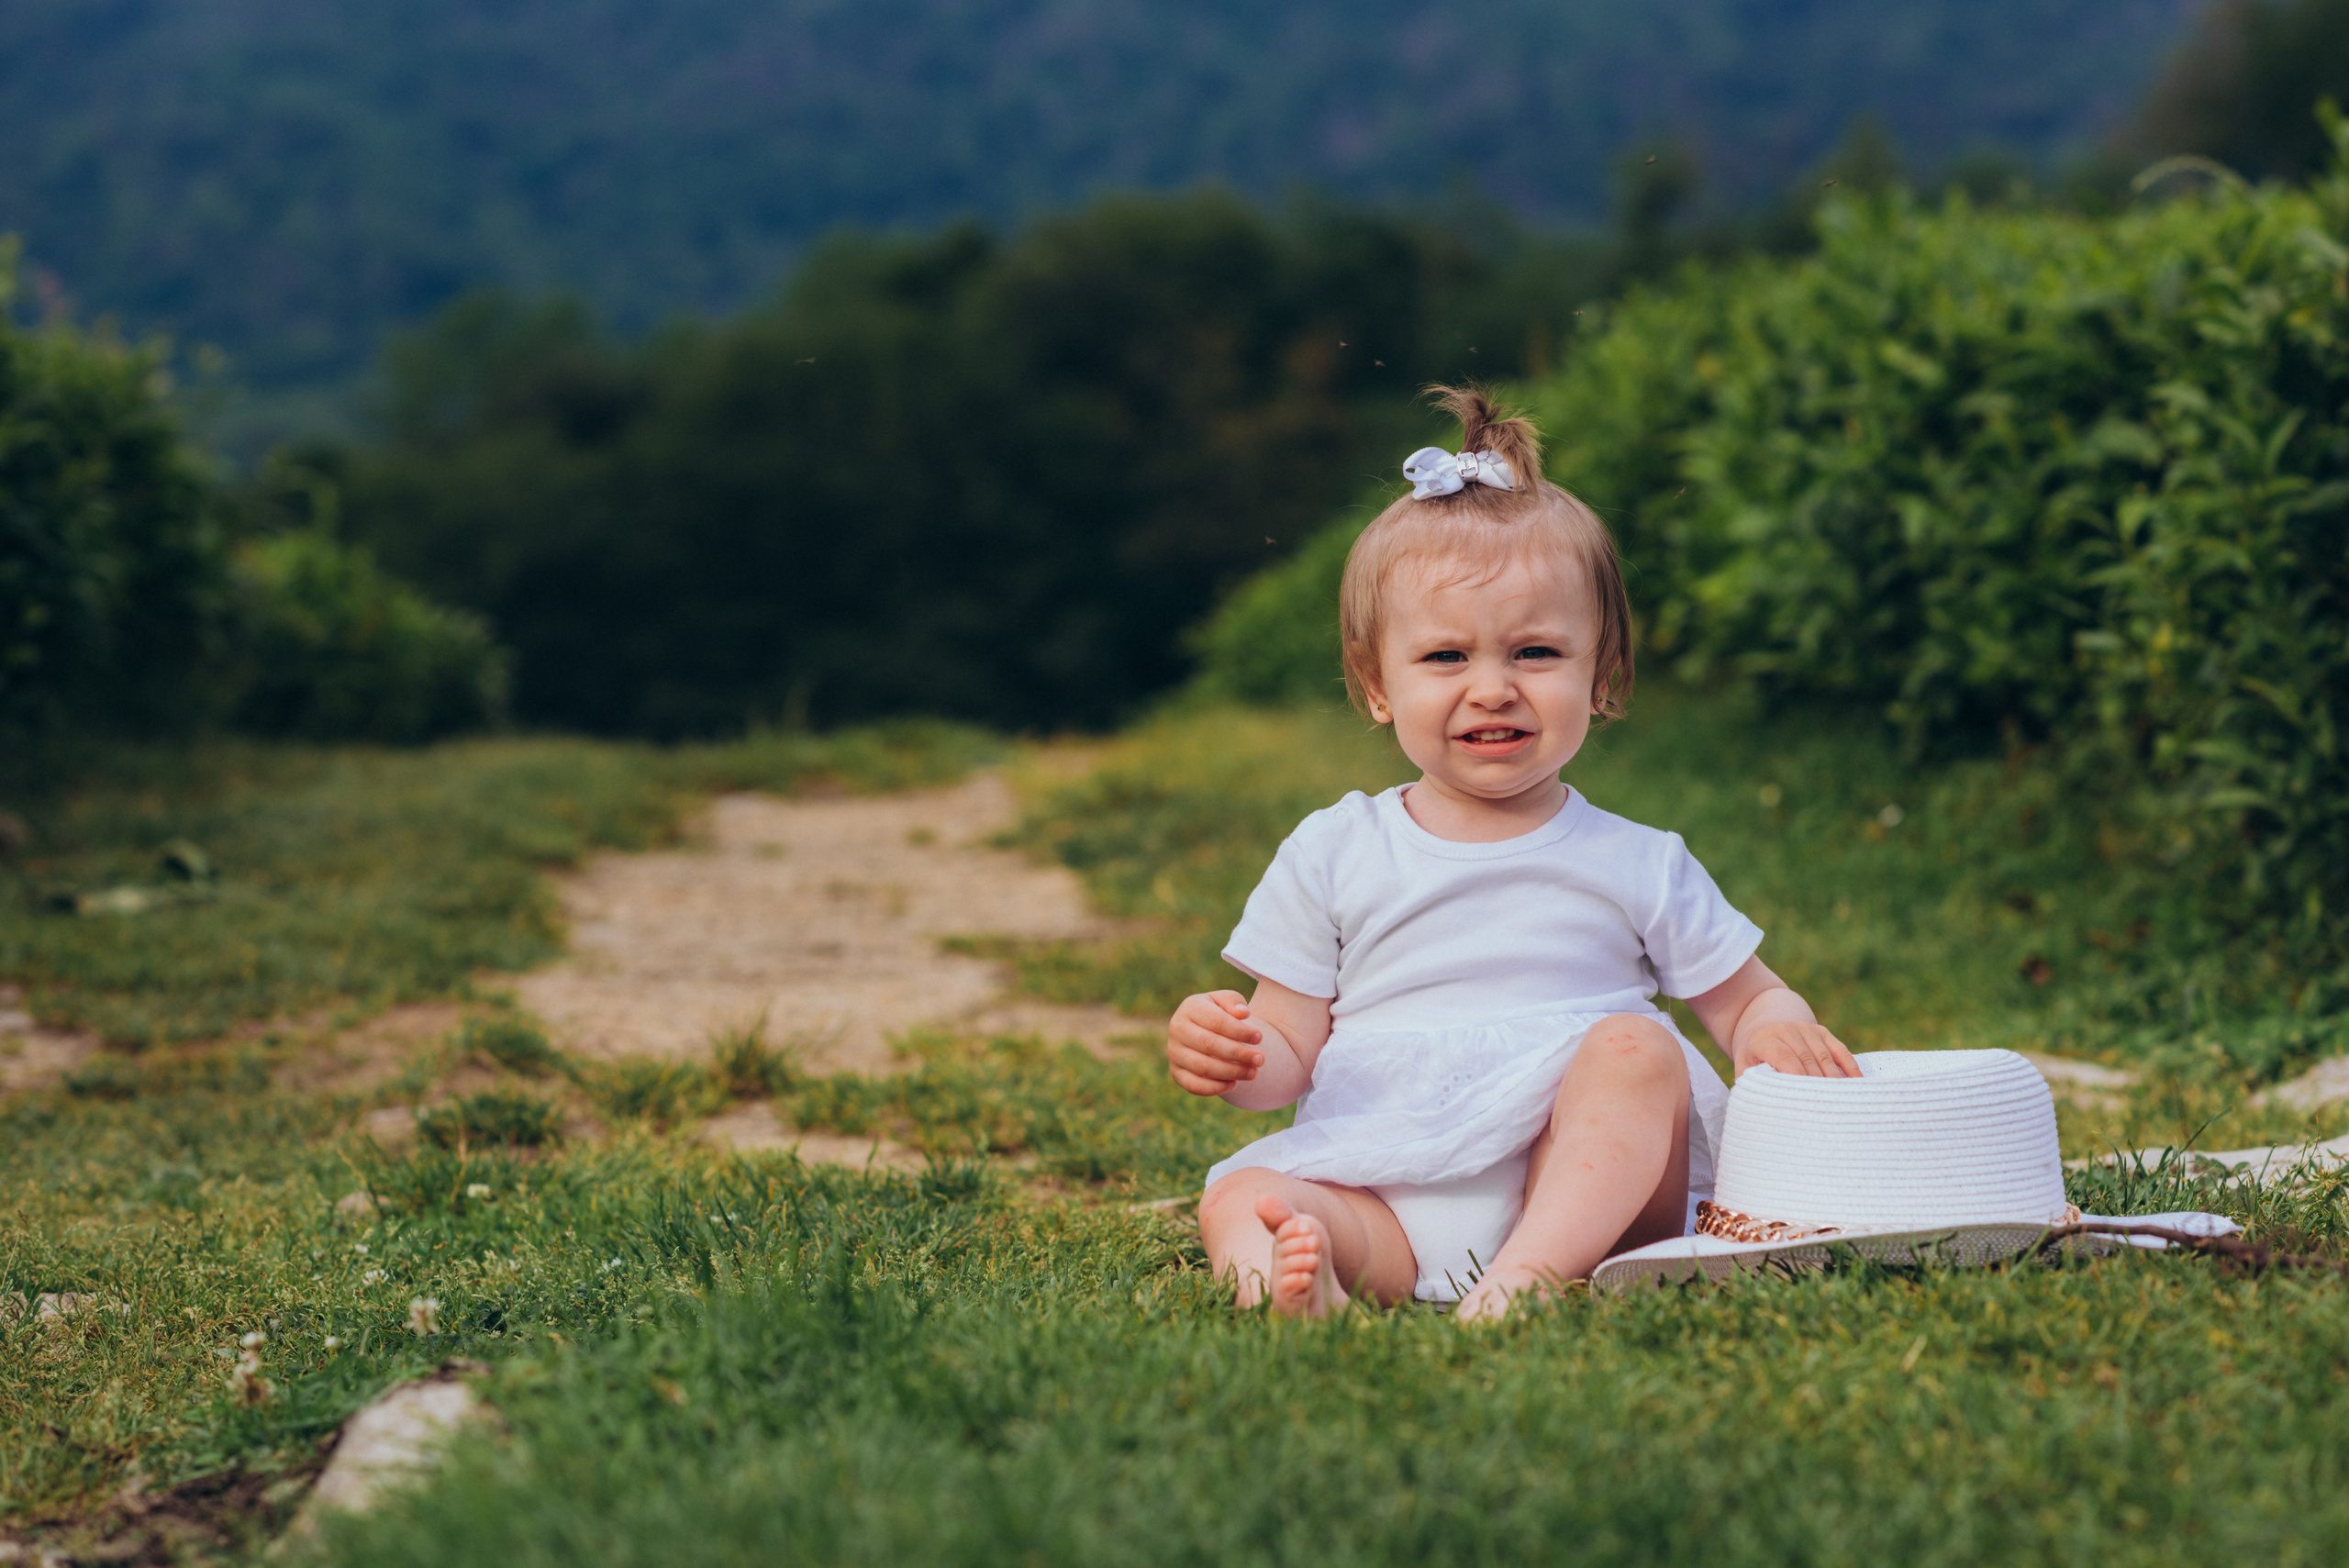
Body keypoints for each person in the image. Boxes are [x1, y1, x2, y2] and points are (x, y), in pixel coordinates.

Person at [1164, 386, 1859, 1322]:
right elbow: (1288, 1049)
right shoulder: (1335, 848)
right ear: (1376, 686)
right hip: (1389, 1180)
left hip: (1592, 1192)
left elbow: (1746, 998)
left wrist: (1774, 1025)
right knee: (1243, 1198)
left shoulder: (1638, 860)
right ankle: (1302, 1286)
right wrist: (1236, 1052)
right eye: (1445, 658)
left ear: (1600, 674)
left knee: (1636, 1047)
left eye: (1534, 652)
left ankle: (1528, 1275)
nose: (1490, 689)